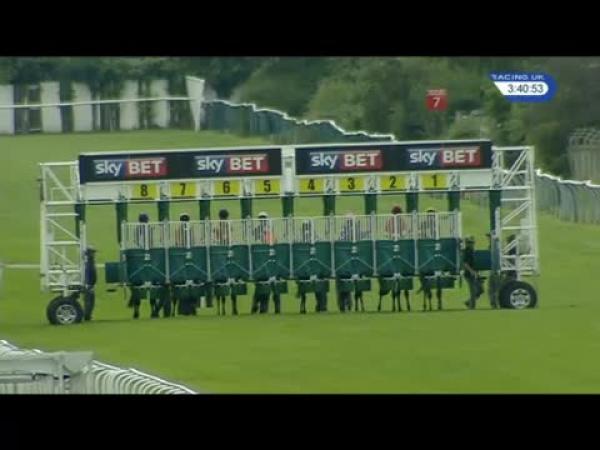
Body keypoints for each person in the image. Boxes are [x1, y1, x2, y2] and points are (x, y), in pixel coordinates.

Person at [251, 212, 280, 314]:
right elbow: (275, 244)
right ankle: (270, 307)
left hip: (260, 266)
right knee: (272, 285)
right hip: (269, 266)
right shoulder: (269, 231)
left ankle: (257, 304)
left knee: (261, 284)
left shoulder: (257, 232)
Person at [129, 213, 150, 319]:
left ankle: (135, 307)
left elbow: (137, 241)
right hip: (147, 256)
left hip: (138, 257)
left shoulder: (137, 229)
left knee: (134, 283)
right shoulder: (148, 229)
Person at [463, 236, 483, 309]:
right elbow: (465, 263)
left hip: (475, 273)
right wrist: (471, 271)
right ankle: (472, 306)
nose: (472, 244)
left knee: (480, 290)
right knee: (473, 291)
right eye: (470, 243)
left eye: (472, 242)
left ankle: (469, 302)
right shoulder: (467, 251)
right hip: (469, 274)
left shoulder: (472, 251)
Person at [83, 246, 97, 321]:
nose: (94, 254)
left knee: (90, 301)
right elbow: (88, 274)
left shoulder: (90, 262)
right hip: (89, 285)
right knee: (89, 302)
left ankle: (88, 315)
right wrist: (88, 285)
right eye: (92, 253)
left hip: (91, 285)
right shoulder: (89, 263)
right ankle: (87, 316)